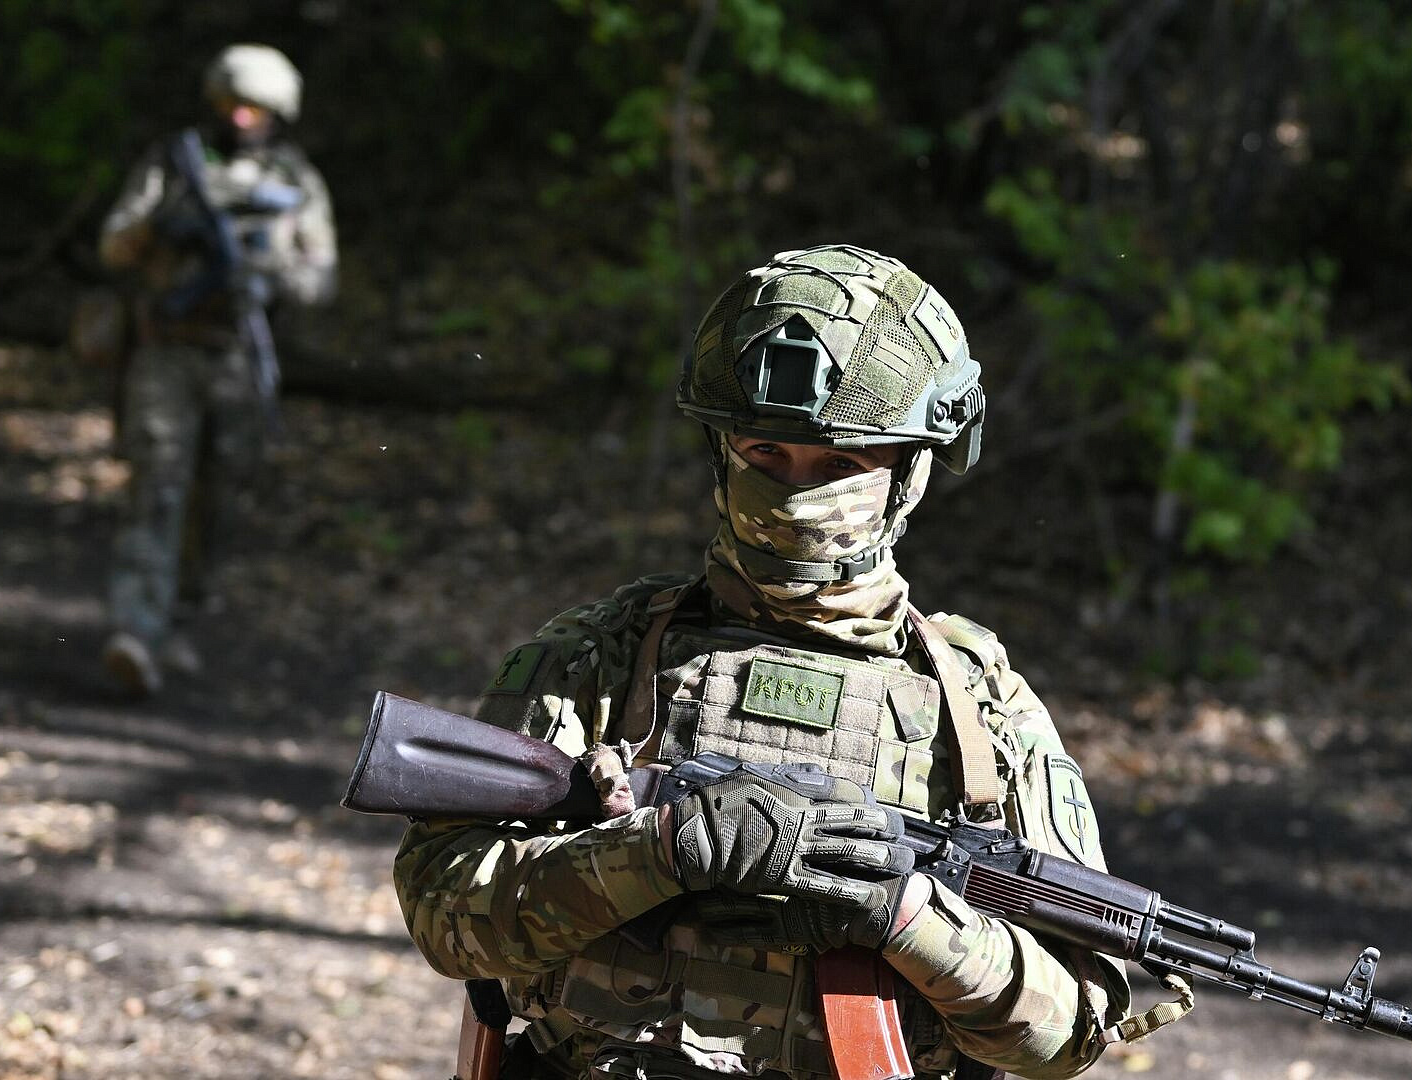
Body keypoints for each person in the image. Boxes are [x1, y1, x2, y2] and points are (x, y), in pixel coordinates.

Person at [394, 245, 1132, 1079]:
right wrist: (659, 853)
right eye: (765, 455)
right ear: (722, 452)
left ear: (910, 473)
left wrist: (903, 916)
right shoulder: (601, 655)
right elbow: (441, 909)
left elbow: (1066, 1034)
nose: (794, 493)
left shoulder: (978, 711)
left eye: (842, 466)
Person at [95, 43, 336, 696]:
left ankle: (178, 621)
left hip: (238, 356)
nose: (241, 117)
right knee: (158, 484)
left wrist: (269, 268)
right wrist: (162, 231)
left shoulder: (295, 181)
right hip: (166, 350)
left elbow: (322, 279)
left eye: (255, 107)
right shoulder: (174, 164)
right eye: (232, 103)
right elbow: (114, 243)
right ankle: (135, 630)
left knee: (220, 499)